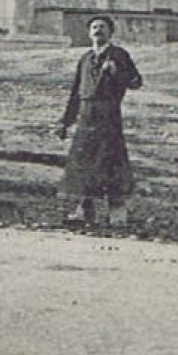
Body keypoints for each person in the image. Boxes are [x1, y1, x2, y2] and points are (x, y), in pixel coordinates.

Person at [57, 15, 142, 227]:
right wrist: (65, 121)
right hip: (86, 116)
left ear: (110, 32)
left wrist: (116, 73)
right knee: (83, 163)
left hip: (108, 115)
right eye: (94, 27)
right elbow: (76, 92)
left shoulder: (119, 55)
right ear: (89, 33)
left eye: (102, 27)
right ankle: (84, 211)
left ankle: (117, 212)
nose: (98, 31)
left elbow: (136, 81)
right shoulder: (85, 59)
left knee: (112, 162)